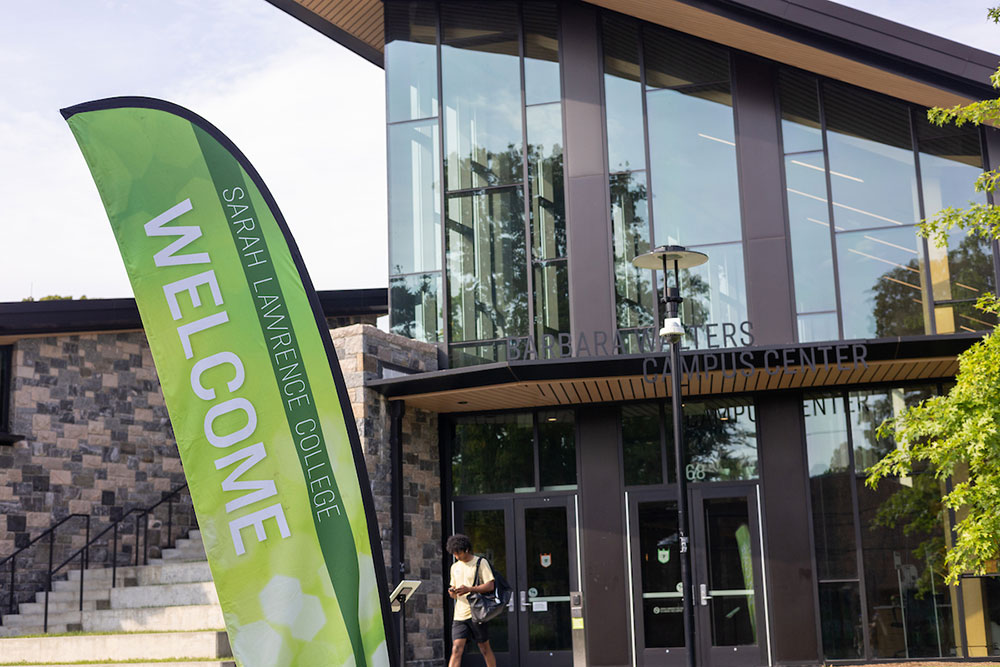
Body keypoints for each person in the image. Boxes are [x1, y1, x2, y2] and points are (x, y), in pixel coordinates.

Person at [446, 534, 497, 667]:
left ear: (467, 549)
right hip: (459, 615)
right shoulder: (454, 567)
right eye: (454, 554)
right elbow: (454, 593)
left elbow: (490, 585)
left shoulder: (480, 562)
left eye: (458, 553)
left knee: (484, 648)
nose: (456, 556)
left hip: (477, 613)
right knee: (456, 649)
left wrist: (470, 589)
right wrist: (452, 592)